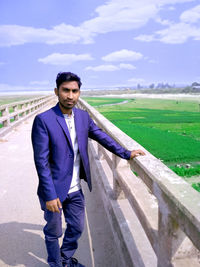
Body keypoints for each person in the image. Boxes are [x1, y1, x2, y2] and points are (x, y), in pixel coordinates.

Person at [31, 72, 145, 267]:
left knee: (76, 227)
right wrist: (49, 195)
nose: (70, 95)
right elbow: (41, 163)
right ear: (56, 91)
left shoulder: (83, 117)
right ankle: (55, 264)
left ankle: (65, 259)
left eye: (74, 91)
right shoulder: (44, 120)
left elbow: (101, 136)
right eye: (65, 90)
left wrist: (125, 153)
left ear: (79, 93)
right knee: (53, 232)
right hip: (55, 190)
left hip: (75, 188)